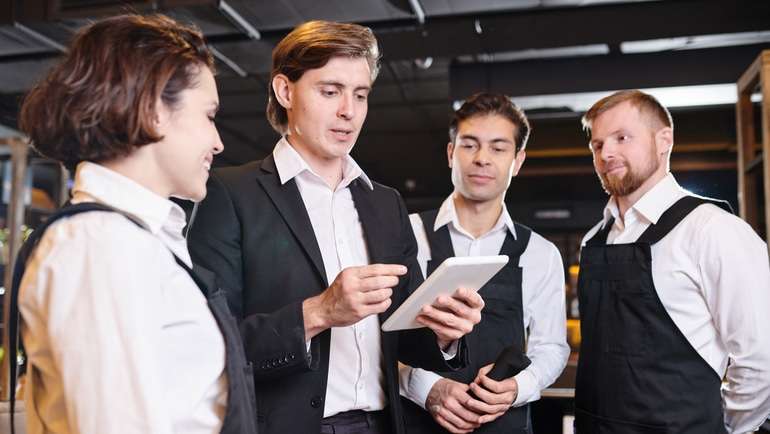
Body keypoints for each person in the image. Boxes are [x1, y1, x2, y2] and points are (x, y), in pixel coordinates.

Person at [187, 20, 483, 434]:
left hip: (386, 424)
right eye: (330, 91)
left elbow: (406, 337)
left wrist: (443, 333)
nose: (349, 110)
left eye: (360, 95)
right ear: (284, 91)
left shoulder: (385, 202)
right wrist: (319, 312)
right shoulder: (228, 194)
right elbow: (210, 345)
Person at [14, 14, 257, 434]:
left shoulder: (137, 237)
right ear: (153, 110)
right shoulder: (100, 244)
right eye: (208, 115)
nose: (218, 141)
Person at [574, 89, 770, 434]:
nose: (606, 153)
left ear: (664, 140)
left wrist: (725, 428)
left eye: (622, 137)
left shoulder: (713, 230)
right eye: (597, 144)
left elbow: (760, 359)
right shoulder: (594, 240)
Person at [398, 93, 569, 434]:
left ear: (517, 161)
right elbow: (372, 340)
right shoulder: (405, 235)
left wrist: (517, 388)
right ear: (451, 153)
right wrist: (427, 388)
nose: (482, 159)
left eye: (498, 148)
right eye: (470, 145)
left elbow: (551, 347)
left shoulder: (541, 252)